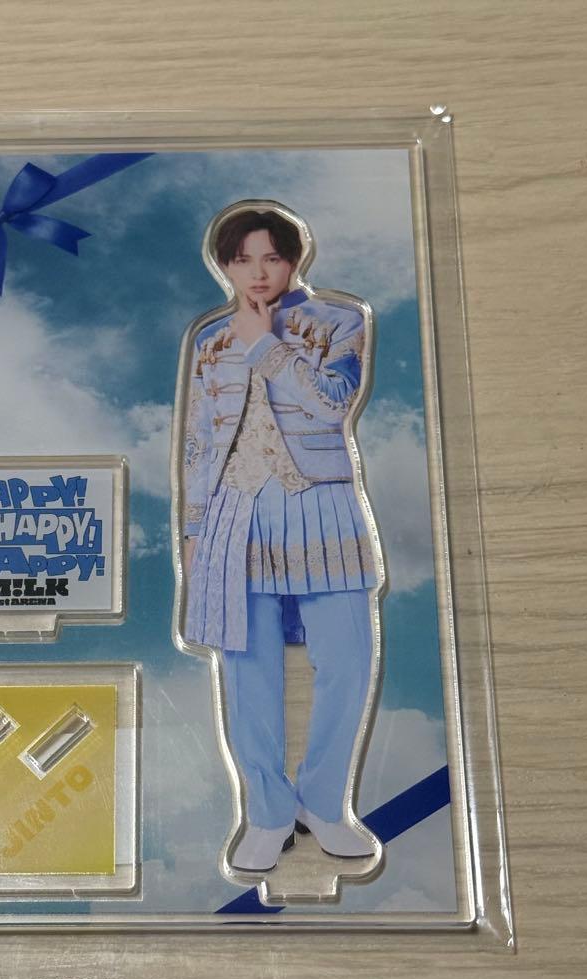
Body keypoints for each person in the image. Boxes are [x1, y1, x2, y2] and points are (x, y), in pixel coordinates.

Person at [180, 203, 384, 873]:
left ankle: (323, 804)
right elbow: (199, 442)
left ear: (295, 259)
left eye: (271, 257)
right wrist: (192, 529)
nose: (258, 272)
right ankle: (267, 813)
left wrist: (265, 346)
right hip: (235, 516)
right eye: (243, 259)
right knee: (247, 670)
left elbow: (334, 402)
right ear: (225, 265)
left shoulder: (339, 321)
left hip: (322, 507)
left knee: (349, 658)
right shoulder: (210, 341)